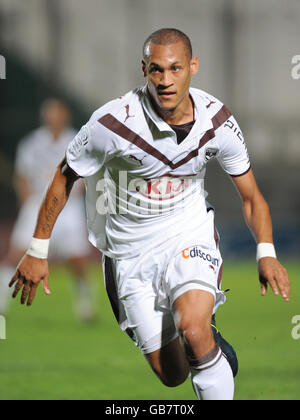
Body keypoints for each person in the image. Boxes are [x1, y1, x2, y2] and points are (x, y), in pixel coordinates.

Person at [8, 29, 290, 400]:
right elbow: (64, 177)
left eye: (175, 68)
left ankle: (202, 332)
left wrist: (266, 252)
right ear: (144, 70)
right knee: (173, 374)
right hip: (129, 253)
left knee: (193, 329)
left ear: (193, 66)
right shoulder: (112, 124)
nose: (166, 80)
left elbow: (251, 197)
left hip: (187, 235)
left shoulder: (217, 122)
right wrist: (38, 249)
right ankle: (208, 345)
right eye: (156, 70)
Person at [0, 99, 95, 322]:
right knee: (15, 254)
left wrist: (75, 195)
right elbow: (22, 175)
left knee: (78, 260)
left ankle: (85, 307)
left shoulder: (77, 139)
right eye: (49, 113)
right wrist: (28, 202)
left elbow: (88, 173)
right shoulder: (31, 143)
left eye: (57, 113)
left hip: (68, 206)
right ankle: (2, 302)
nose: (53, 117)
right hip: (37, 203)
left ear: (65, 115)